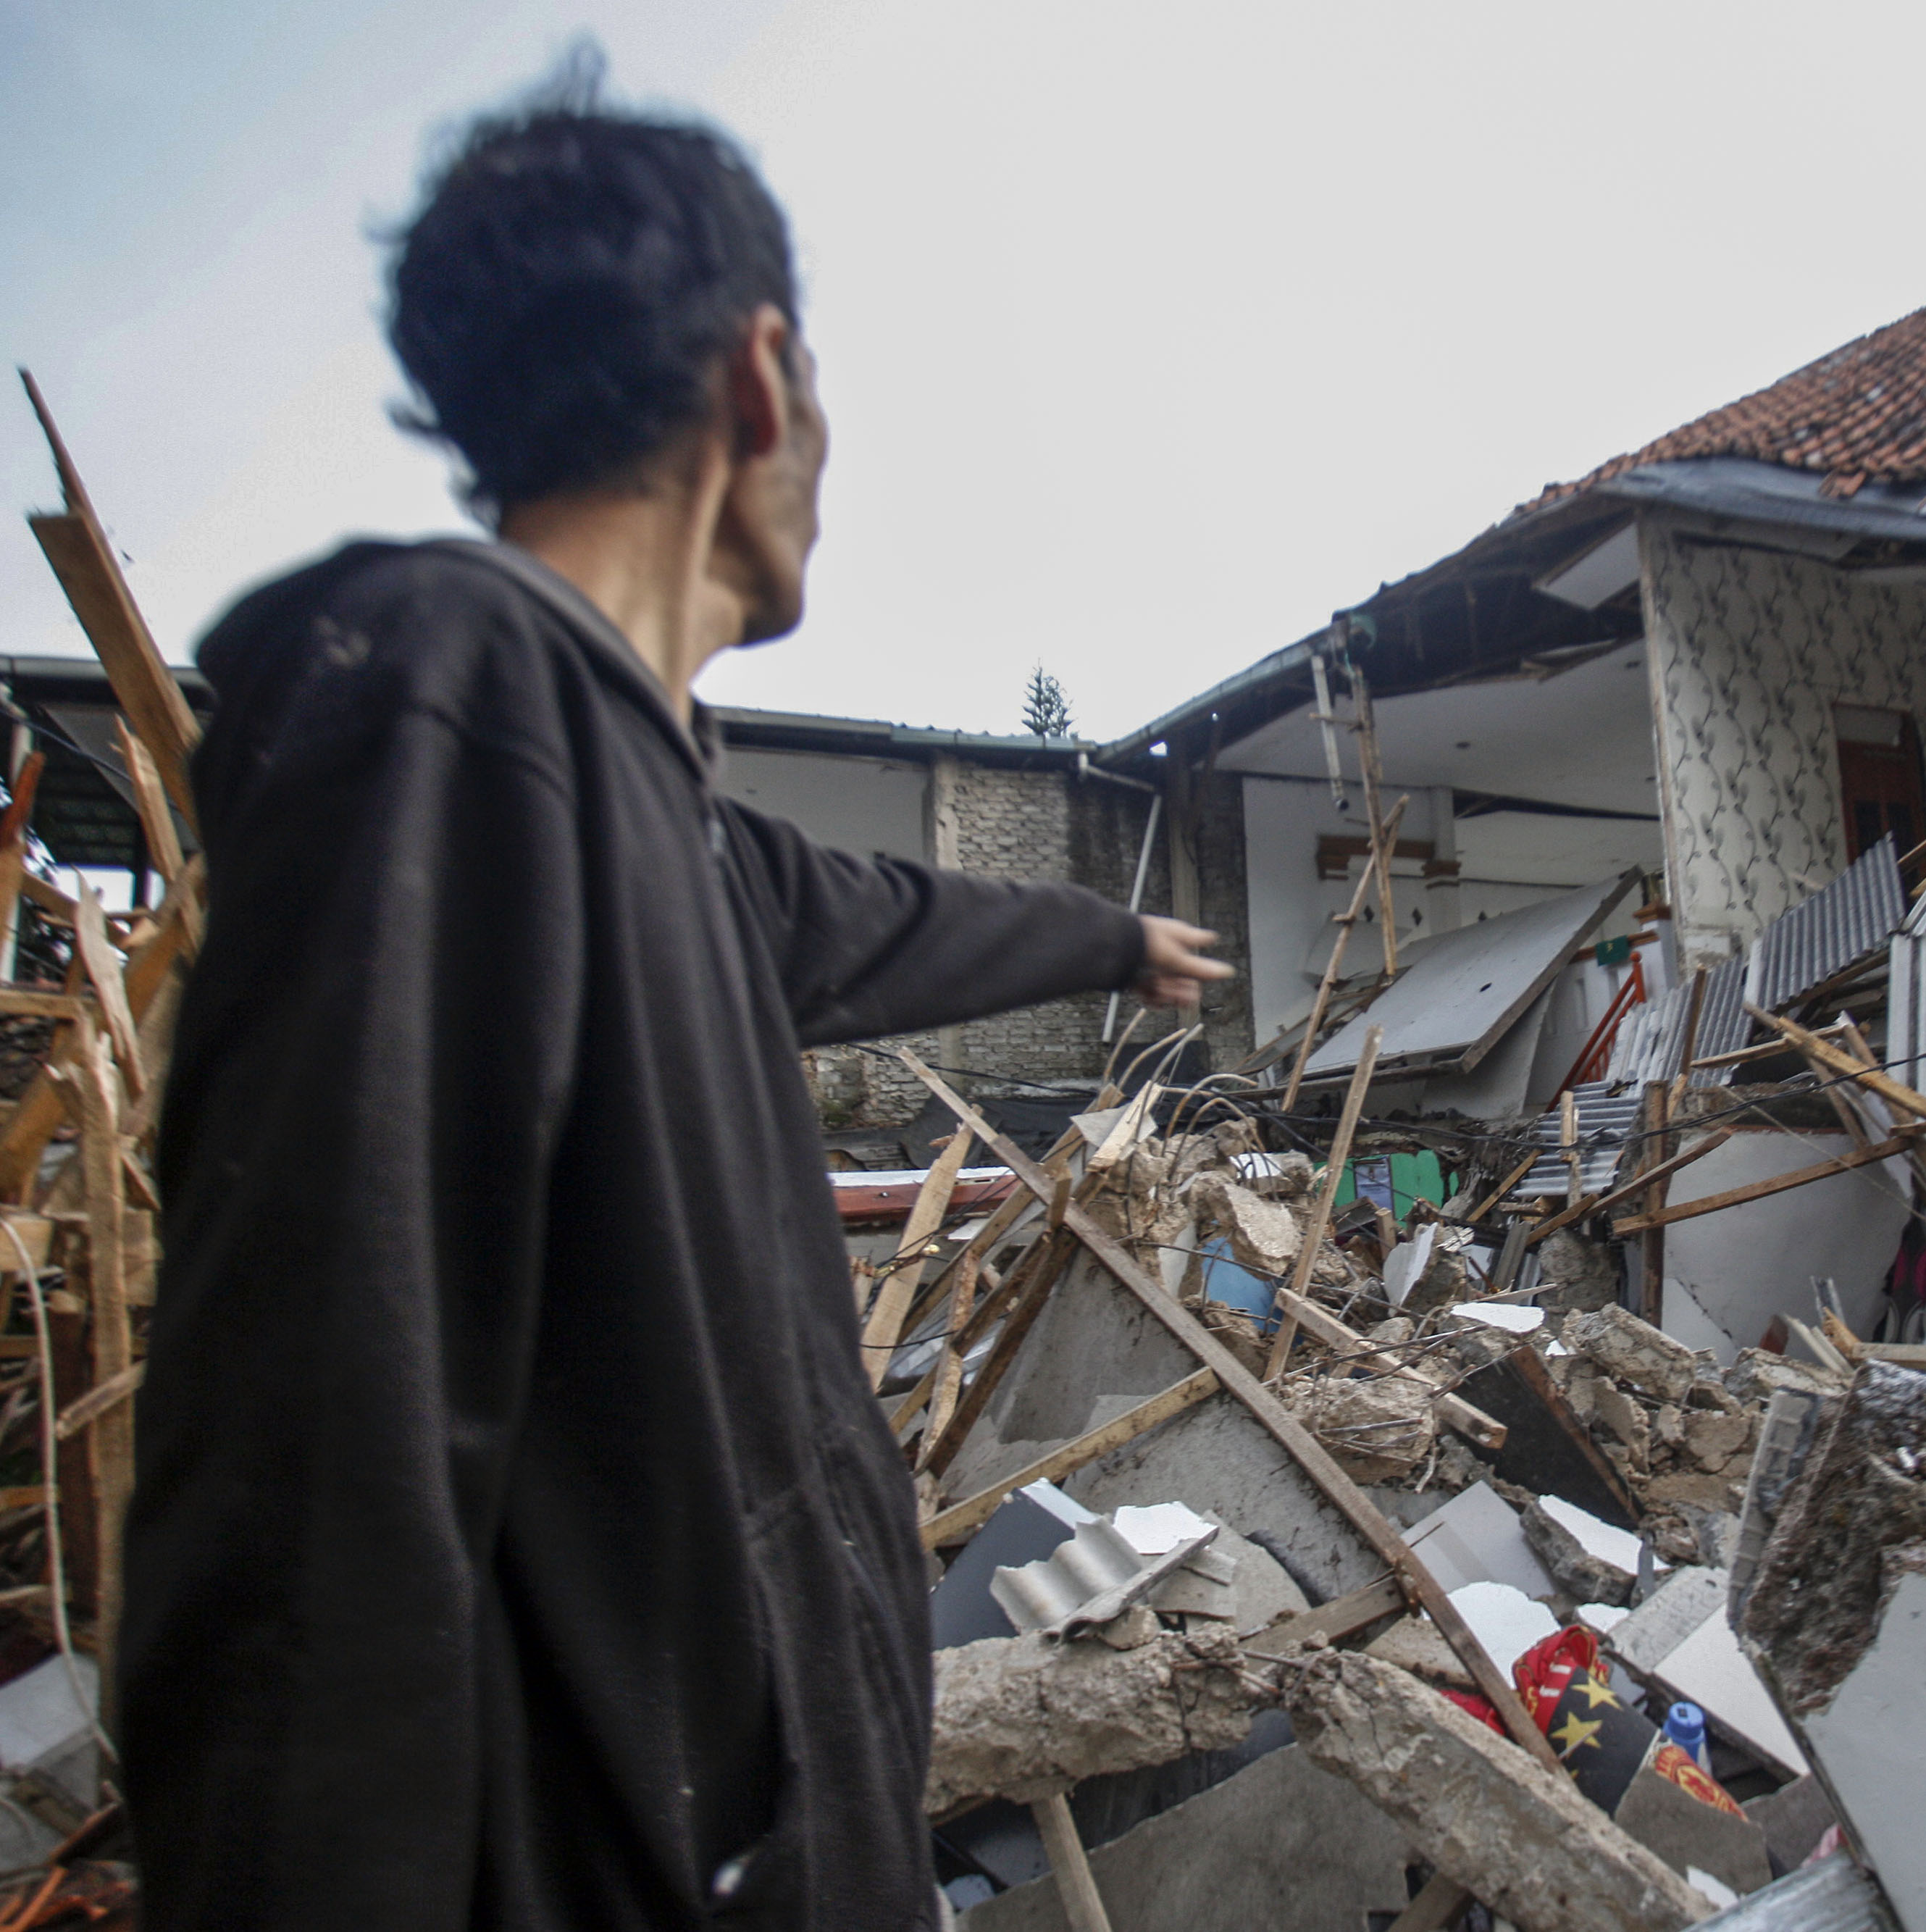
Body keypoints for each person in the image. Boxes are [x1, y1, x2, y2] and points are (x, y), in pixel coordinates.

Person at [116, 84, 1226, 1932]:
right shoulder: (448, 710)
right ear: (758, 379)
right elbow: (302, 1508)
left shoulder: (660, 819)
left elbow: (892, 916)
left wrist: (1116, 946)